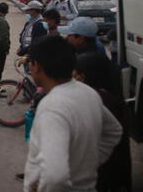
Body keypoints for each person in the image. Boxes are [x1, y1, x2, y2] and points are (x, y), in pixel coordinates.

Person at [23, 35, 122, 192]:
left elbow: (55, 177)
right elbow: (114, 131)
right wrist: (89, 163)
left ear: (37, 67)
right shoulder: (88, 93)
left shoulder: (53, 107)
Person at [73, 53, 132, 192]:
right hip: (112, 172)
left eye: (77, 76)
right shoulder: (109, 96)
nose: (74, 80)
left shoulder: (97, 101)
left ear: (84, 77)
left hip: (103, 176)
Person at [60, 17, 122, 98]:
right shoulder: (94, 50)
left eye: (69, 35)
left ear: (81, 39)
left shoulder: (87, 61)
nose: (67, 38)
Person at [17, 1, 47, 72]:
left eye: (28, 10)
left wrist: (24, 52)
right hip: (27, 53)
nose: (27, 12)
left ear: (34, 11)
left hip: (32, 56)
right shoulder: (29, 22)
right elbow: (24, 35)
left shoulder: (39, 24)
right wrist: (21, 47)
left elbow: (36, 43)